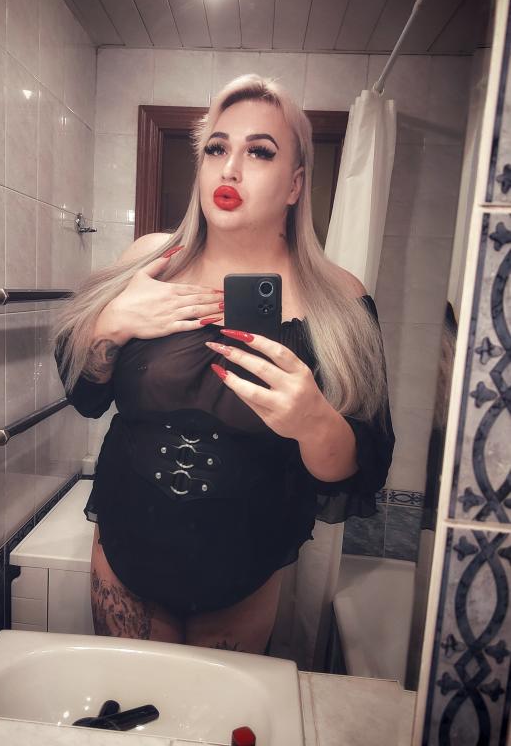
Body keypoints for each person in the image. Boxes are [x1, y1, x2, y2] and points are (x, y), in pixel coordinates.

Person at [54, 74, 395, 655]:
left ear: (295, 184)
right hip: (127, 543)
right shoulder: (151, 261)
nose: (230, 169)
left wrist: (313, 420)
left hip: (246, 565)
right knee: (131, 706)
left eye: (259, 152)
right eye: (217, 148)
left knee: (214, 710)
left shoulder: (340, 301)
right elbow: (85, 395)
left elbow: (361, 468)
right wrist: (108, 324)